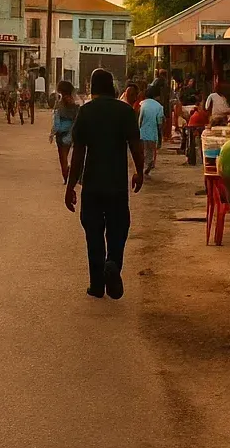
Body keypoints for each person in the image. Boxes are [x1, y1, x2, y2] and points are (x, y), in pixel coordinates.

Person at [65, 68, 145, 299]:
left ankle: (97, 284)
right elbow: (135, 145)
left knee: (93, 232)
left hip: (92, 184)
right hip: (117, 183)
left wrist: (71, 186)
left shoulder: (86, 112)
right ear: (112, 87)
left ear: (92, 88)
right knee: (118, 228)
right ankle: (112, 264)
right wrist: (139, 172)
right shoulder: (125, 111)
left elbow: (78, 153)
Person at [50, 80, 79, 183]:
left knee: (63, 158)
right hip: (71, 132)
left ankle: (66, 178)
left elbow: (56, 121)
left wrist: (52, 133)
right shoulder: (76, 105)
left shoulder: (59, 104)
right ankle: (70, 176)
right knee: (72, 156)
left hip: (60, 134)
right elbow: (77, 119)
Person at [138, 85, 165, 174]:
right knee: (151, 150)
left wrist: (138, 129)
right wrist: (161, 133)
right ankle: (150, 164)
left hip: (143, 132)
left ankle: (144, 166)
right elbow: (159, 122)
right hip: (153, 133)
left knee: (143, 150)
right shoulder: (159, 107)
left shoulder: (142, 104)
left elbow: (140, 119)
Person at [185, 99, 209, 166]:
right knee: (195, 145)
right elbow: (206, 122)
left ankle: (192, 160)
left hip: (194, 127)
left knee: (192, 145)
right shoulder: (201, 113)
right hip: (194, 127)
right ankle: (192, 160)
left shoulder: (198, 112)